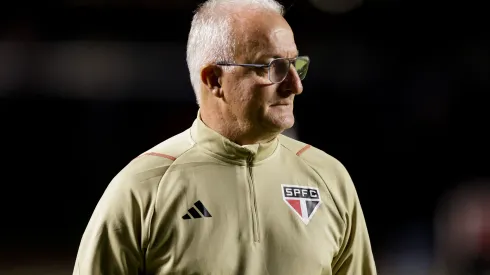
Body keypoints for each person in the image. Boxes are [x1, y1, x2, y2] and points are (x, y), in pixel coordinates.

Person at [73, 0, 377, 274]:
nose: (295, 86)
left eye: (296, 64)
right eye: (274, 68)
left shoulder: (329, 179)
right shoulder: (141, 189)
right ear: (214, 79)